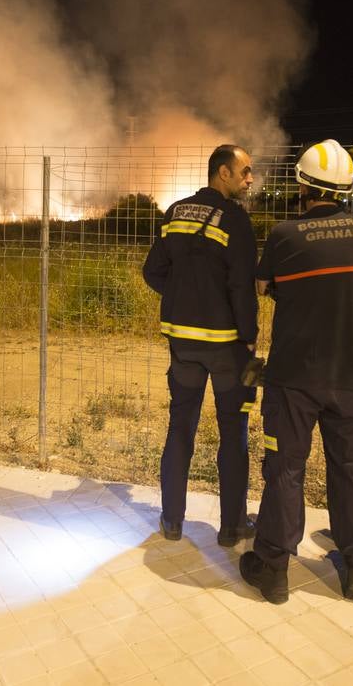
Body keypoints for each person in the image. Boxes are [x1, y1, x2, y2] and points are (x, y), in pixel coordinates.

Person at [239, 139, 353, 604]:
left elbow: (264, 285)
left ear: (302, 185)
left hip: (295, 378)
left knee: (285, 470)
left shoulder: (285, 235)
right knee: (352, 469)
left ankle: (274, 571)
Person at [142, 144, 259, 547]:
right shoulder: (236, 219)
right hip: (226, 346)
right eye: (244, 172)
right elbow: (241, 286)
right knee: (233, 432)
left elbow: (153, 270)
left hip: (182, 344)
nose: (250, 179)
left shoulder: (175, 212)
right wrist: (249, 336)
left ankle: (172, 521)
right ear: (223, 173)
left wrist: (182, 299)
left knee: (180, 428)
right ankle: (232, 527)